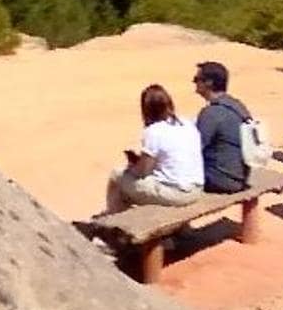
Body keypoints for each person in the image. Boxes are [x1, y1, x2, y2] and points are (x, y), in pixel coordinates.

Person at [106, 84, 204, 213]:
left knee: (117, 175)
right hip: (196, 188)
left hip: (178, 194)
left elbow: (142, 172)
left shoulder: (154, 131)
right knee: (131, 186)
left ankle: (115, 223)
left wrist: (132, 166)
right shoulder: (186, 123)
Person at [193, 61, 252, 193]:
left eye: (197, 79)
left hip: (220, 179)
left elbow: (195, 148)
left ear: (209, 83)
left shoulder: (212, 113)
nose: (194, 83)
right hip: (240, 176)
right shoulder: (237, 105)